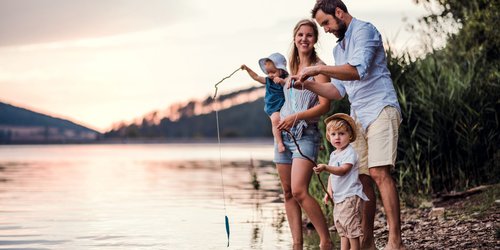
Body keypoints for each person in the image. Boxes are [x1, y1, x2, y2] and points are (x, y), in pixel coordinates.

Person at [290, 1, 406, 249]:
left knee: (378, 172)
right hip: (357, 116)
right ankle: (367, 243)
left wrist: (317, 68)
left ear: (339, 13)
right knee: (361, 177)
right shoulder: (339, 50)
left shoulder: (365, 31)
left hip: (380, 108)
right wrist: (307, 83)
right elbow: (337, 90)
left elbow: (356, 71)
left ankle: (396, 241)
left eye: (326, 23)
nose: (327, 29)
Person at [274, 19, 332, 249]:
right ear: (295, 38)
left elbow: (325, 106)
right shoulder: (290, 68)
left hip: (306, 135)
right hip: (284, 135)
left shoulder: (320, 69)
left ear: (315, 39)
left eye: (309, 35)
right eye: (300, 35)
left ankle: (326, 241)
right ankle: (296, 244)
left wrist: (296, 117)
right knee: (288, 192)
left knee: (299, 190)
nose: (304, 39)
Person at [314, 113, 369, 250]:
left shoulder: (350, 152)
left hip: (350, 195)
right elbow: (333, 177)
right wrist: (329, 191)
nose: (337, 137)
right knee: (342, 227)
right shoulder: (334, 154)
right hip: (339, 197)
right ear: (329, 137)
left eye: (341, 133)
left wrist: (326, 167)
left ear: (350, 136)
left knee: (351, 228)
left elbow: (343, 170)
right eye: (333, 134)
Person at [241, 53, 288, 152]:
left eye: (273, 72)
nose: (270, 75)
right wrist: (247, 69)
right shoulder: (268, 80)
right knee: (275, 120)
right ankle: (279, 142)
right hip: (273, 107)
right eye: (268, 72)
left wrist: (282, 82)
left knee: (285, 119)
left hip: (285, 105)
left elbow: (290, 84)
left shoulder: (286, 78)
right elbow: (256, 77)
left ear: (281, 70)